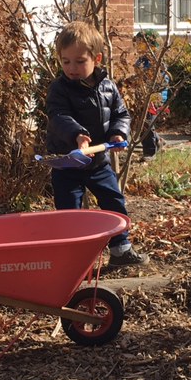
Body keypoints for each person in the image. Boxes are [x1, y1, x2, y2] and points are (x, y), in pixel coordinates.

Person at [46, 21, 149, 267]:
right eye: (65, 61)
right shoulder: (59, 89)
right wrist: (78, 135)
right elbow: (58, 116)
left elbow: (121, 114)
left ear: (97, 58)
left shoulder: (107, 87)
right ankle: (75, 258)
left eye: (80, 61)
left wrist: (118, 134)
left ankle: (120, 249)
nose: (72, 68)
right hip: (68, 164)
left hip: (99, 162)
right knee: (69, 212)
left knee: (113, 201)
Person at [133, 30, 169, 160]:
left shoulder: (156, 62)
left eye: (141, 44)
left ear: (151, 46)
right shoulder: (141, 60)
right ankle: (158, 140)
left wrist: (155, 95)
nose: (138, 47)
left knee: (147, 122)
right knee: (143, 122)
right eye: (137, 44)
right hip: (144, 96)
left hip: (155, 97)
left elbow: (163, 81)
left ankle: (150, 151)